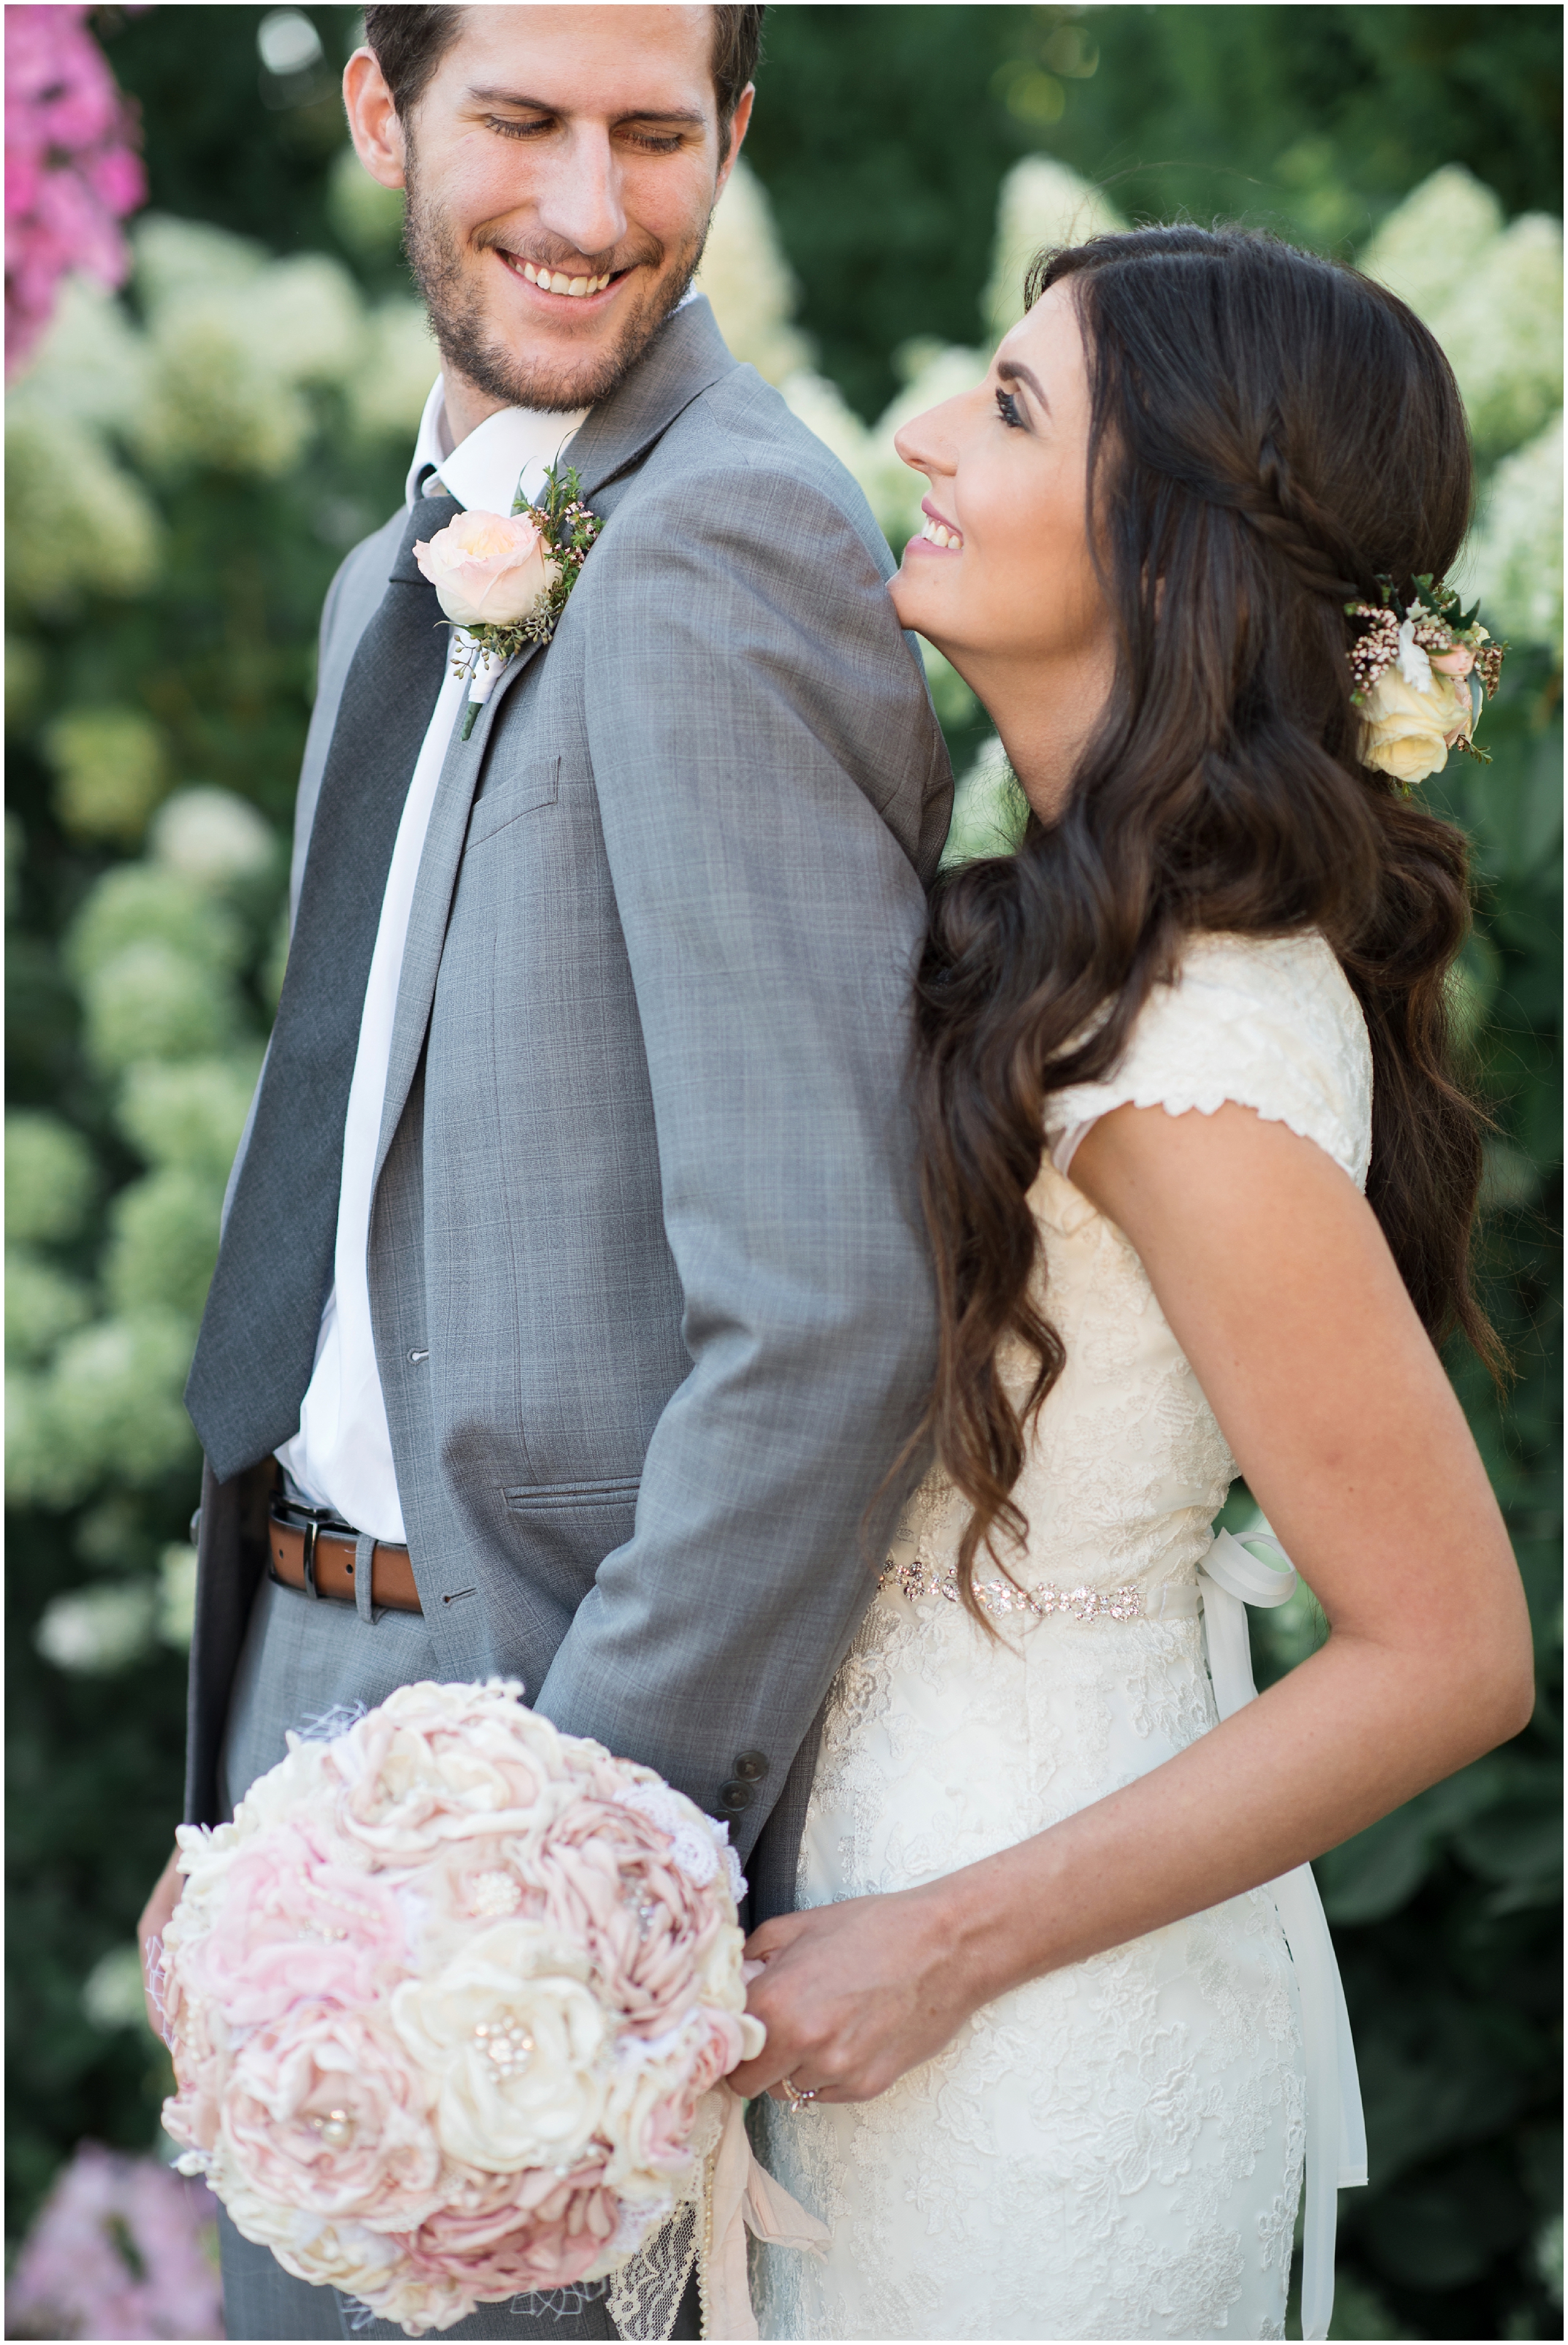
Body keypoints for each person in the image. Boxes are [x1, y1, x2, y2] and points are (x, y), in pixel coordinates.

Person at [136, 8, 951, 2338]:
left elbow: (824, 1311)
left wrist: (554, 1865)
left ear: (737, 141)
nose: (590, 211)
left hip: (539, 1754)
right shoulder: (396, 564)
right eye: (519, 122)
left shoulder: (729, 544)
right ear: (382, 107)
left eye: (653, 135)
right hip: (296, 1683)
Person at [736, 226, 1537, 2343]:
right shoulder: (1064, 942)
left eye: (1007, 408)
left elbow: (1447, 1648)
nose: (920, 436)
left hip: (1024, 2042)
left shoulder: (1193, 1043)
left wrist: (943, 1947)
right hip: (885, 1967)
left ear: (1170, 554)